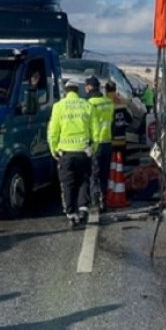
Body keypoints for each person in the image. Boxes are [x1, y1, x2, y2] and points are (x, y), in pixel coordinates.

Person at [48, 79, 93, 228]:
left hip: (65, 153)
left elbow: (53, 131)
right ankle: (83, 209)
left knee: (68, 184)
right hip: (83, 151)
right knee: (83, 180)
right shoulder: (87, 106)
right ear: (77, 91)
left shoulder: (58, 107)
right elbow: (95, 130)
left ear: (66, 92)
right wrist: (93, 147)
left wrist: (53, 149)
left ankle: (71, 214)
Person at [85, 76, 113, 212]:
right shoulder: (108, 103)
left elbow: (88, 125)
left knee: (94, 174)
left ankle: (95, 201)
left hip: (95, 144)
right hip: (107, 142)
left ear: (89, 87)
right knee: (104, 174)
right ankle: (104, 201)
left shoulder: (89, 104)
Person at [106, 80, 132, 164]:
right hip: (121, 138)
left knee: (110, 166)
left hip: (108, 140)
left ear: (106, 90)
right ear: (115, 89)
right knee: (120, 166)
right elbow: (130, 119)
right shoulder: (122, 101)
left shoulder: (104, 102)